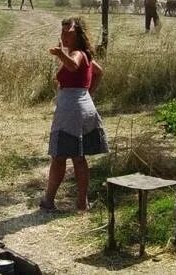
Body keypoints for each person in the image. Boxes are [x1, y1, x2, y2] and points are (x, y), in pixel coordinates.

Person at [40, 17, 109, 212]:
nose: (64, 37)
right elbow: (99, 72)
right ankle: (82, 202)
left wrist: (61, 55)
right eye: (62, 33)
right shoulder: (87, 55)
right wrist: (87, 93)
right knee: (79, 158)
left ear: (78, 34)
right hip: (83, 106)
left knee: (59, 156)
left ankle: (49, 201)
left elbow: (73, 65)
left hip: (70, 110)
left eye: (68, 33)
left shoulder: (78, 54)